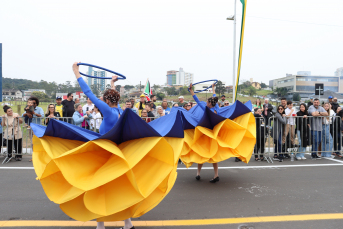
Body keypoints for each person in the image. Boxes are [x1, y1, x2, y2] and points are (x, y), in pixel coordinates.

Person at [73, 62, 134, 229]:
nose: (100, 100)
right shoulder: (119, 110)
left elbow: (88, 93)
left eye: (103, 98)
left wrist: (77, 73)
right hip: (117, 153)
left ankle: (100, 225)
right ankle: (127, 224)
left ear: (106, 100)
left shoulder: (107, 111)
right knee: (118, 188)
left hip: (104, 154)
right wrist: (113, 83)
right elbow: (115, 99)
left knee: (99, 188)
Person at [189, 83, 219, 183]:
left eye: (207, 101)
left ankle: (202, 174)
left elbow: (196, 99)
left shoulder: (207, 108)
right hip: (210, 133)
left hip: (207, 134)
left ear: (210, 103)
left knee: (204, 153)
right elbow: (214, 97)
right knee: (207, 153)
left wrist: (191, 90)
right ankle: (209, 174)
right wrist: (213, 89)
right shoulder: (216, 107)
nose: (206, 102)